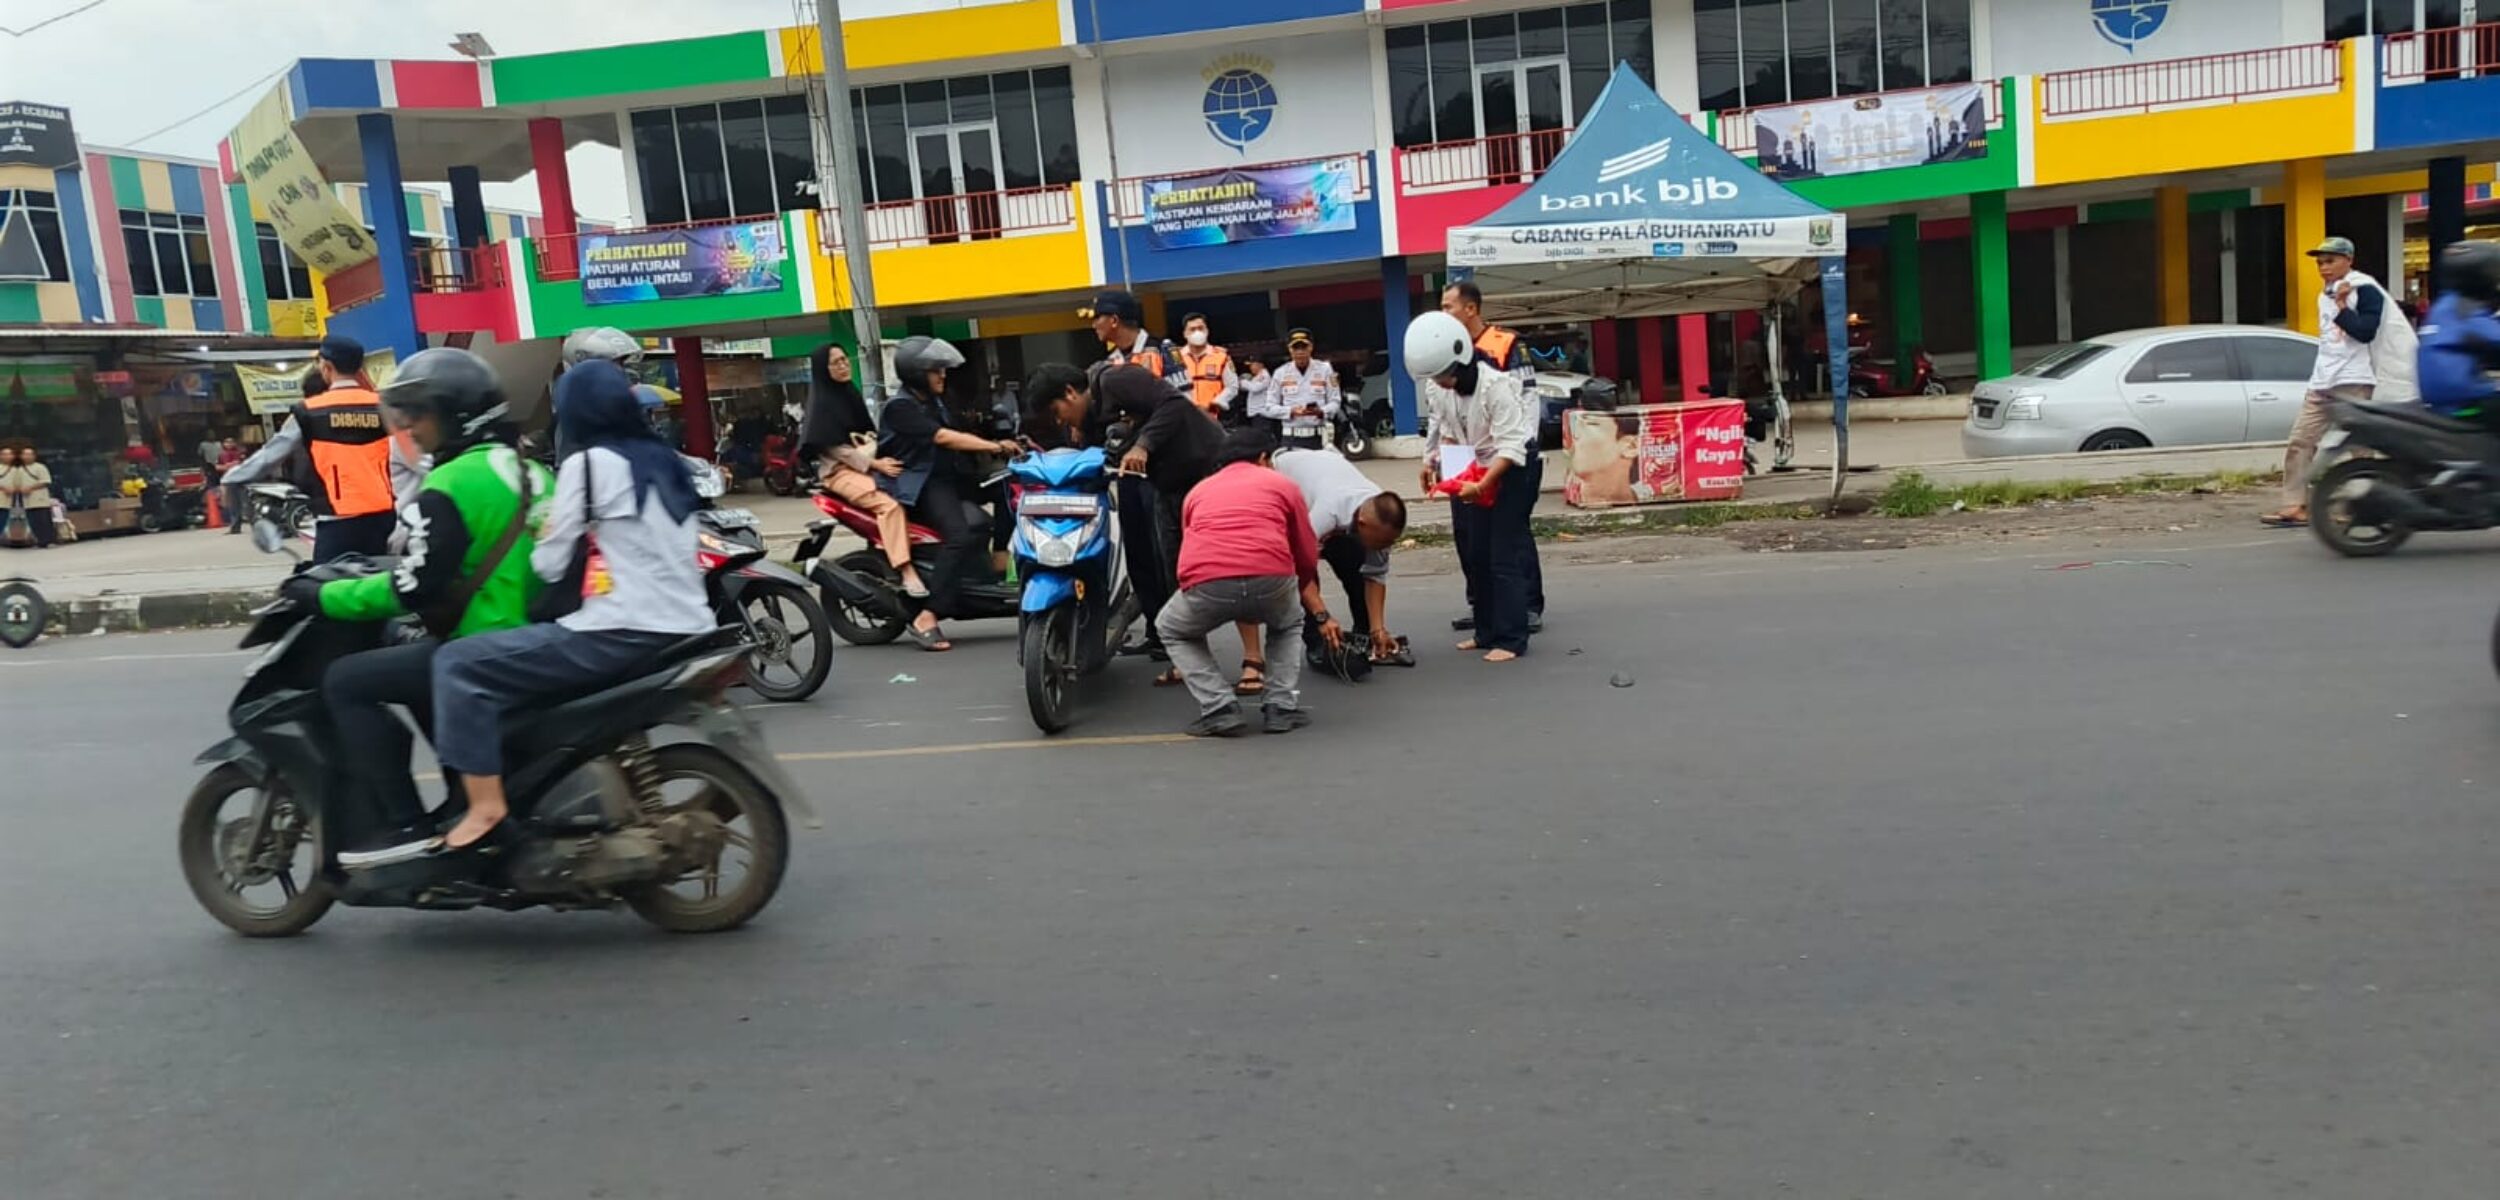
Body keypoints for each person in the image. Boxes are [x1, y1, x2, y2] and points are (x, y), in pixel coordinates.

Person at [417, 360, 716, 855]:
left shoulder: (587, 465)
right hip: (689, 624)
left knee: (456, 664)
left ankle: (486, 806)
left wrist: (542, 531)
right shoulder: (664, 459)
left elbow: (551, 566)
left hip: (621, 629)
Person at [290, 348, 550, 861]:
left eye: (421, 415)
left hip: (484, 644)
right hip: (533, 638)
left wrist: (324, 595)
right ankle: (460, 790)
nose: (412, 428)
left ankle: (406, 827)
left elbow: (416, 588)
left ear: (456, 415)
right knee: (405, 655)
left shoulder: (451, 484)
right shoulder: (534, 473)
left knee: (347, 681)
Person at [1025, 358, 1222, 684]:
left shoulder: (1117, 380)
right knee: (1173, 569)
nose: (1063, 421)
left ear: (1071, 392)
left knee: (1232, 563)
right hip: (1167, 484)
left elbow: (1173, 403)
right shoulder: (1089, 421)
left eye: (1058, 412)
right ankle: (1190, 660)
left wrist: (1143, 446)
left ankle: (1271, 651)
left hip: (1204, 468)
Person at [1155, 428, 1340, 737]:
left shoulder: (1199, 491)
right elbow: (1306, 548)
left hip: (1207, 580)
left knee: (1172, 629)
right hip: (1272, 576)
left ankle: (1218, 708)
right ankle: (1280, 707)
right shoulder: (1282, 484)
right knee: (1288, 623)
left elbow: (1190, 542)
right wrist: (1299, 584)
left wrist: (1191, 586)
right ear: (1263, 458)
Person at [1411, 310, 1535, 662]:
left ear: (1461, 361)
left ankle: (1512, 638)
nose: (1440, 383)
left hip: (1507, 472)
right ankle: (1485, 632)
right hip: (1471, 469)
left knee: (1502, 555)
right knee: (1475, 554)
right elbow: (1444, 429)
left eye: (1444, 375)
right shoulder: (1439, 389)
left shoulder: (1497, 387)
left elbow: (1512, 446)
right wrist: (1431, 462)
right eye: (1434, 377)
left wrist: (1483, 486)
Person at [879, 335, 1016, 652]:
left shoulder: (935, 400)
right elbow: (943, 437)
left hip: (949, 477)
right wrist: (994, 447)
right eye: (935, 370)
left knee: (1006, 483)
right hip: (921, 483)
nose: (942, 375)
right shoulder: (899, 407)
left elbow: (961, 431)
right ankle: (928, 616)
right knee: (959, 535)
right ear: (915, 373)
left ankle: (998, 559)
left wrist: (1005, 441)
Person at [222, 335, 413, 561]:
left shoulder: (309, 411)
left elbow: (269, 456)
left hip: (338, 521)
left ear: (326, 366)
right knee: (380, 588)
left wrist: (231, 479)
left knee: (325, 590)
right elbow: (415, 455)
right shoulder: (383, 406)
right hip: (384, 518)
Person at [2267, 237, 2394, 528]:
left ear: (2349, 260)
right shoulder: (2324, 293)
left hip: (2354, 380)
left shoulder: (2365, 290)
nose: (2323, 267)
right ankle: (2293, 505)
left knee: (2359, 447)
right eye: (2320, 262)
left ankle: (2366, 506)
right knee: (2300, 442)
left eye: (2330, 261)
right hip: (2323, 380)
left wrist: (2342, 306)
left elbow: (2365, 332)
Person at [1442, 280, 1545, 633]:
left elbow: (1528, 401)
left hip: (1503, 453)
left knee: (1510, 533)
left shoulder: (1506, 344)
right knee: (1467, 533)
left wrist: (1521, 453)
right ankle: (1482, 603)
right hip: (1461, 452)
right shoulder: (1447, 348)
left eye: (1448, 307)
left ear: (1470, 308)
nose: (1444, 314)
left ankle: (1527, 605)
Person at [798, 343, 929, 599]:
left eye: (845, 360)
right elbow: (836, 449)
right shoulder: (822, 403)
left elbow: (867, 431)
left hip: (863, 465)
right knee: (888, 505)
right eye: (835, 362)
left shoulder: (848, 393)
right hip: (840, 473)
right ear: (823, 369)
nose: (843, 365)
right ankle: (906, 570)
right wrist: (876, 465)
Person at [1267, 447, 1408, 670]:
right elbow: (1298, 570)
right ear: (1362, 524)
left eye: (1388, 543)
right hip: (1281, 474)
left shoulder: (1380, 518)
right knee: (1307, 576)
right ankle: (1317, 642)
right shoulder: (1326, 513)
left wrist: (1377, 628)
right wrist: (1322, 616)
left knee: (1355, 566)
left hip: (1327, 470)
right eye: (1381, 543)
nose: (1384, 548)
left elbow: (1375, 576)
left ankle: (1366, 637)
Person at [2416, 240, 2500, 427]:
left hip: (2442, 400)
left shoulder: (2446, 304)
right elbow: (2494, 338)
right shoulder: (2465, 309)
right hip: (2464, 400)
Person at [1087, 288, 1180, 386]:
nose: (1094, 325)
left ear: (1114, 320)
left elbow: (1184, 398)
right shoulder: (1109, 362)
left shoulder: (1166, 351)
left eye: (1097, 318)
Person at [1270, 329, 1340, 450]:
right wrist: (1291, 411)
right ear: (1290, 349)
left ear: (1311, 347)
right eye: (1296, 348)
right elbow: (1270, 407)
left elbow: (1335, 401)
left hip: (1318, 438)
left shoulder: (1325, 369)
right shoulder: (1280, 373)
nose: (1300, 352)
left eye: (1304, 347)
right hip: (1291, 437)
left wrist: (1321, 411)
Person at [1178, 313, 1239, 418]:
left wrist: (1216, 403)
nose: (1197, 332)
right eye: (1192, 329)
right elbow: (1167, 388)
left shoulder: (1221, 356)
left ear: (1207, 331)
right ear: (1185, 333)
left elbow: (1232, 386)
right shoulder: (1176, 359)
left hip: (1213, 417)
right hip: (1183, 417)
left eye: (1200, 328)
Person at [13, 447, 56, 549]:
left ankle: (50, 541)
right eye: (25, 455)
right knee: (33, 522)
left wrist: (30, 488)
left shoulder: (40, 467)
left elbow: (46, 481)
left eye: (29, 454)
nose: (27, 457)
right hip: (28, 501)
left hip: (40, 500)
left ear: (34, 456)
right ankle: (40, 541)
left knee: (44, 521)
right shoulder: (19, 470)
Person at [1236, 353, 1274, 432]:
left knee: (1262, 435)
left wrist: (1243, 381)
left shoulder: (1264, 376)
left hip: (1262, 413)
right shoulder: (1256, 377)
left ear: (1260, 365)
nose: (1250, 367)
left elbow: (1255, 388)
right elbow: (1248, 388)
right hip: (1256, 413)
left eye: (1252, 365)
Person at [217, 438, 247, 532]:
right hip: (228, 479)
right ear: (224, 444)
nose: (229, 444)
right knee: (232, 504)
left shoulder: (240, 453)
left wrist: (233, 465)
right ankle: (235, 526)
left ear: (234, 443)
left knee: (245, 501)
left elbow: (243, 463)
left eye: (231, 442)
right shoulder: (221, 454)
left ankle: (253, 522)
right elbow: (217, 466)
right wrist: (227, 466)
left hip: (240, 479)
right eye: (226, 442)